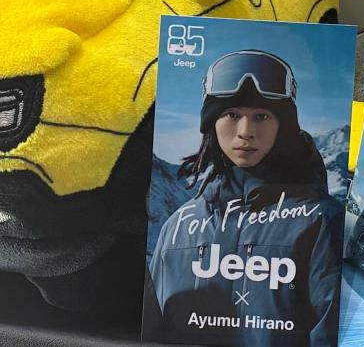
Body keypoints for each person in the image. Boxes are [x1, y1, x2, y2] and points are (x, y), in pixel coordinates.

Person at [144, 50, 344, 347]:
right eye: (232, 115)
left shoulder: (321, 221)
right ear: (212, 122)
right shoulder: (178, 227)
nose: (245, 132)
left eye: (261, 116)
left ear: (283, 126)